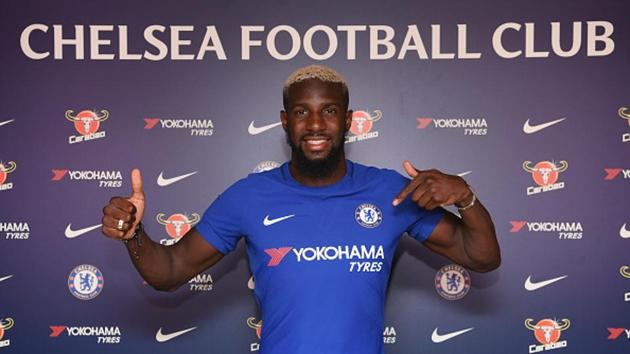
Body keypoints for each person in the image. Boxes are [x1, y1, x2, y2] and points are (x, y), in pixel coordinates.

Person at [101, 65, 500, 354]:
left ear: (348, 121)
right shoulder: (248, 197)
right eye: (301, 111)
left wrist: (466, 198)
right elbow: (168, 271)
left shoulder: (390, 192)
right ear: (284, 121)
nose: (315, 124)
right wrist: (133, 234)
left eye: (328, 111)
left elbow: (481, 258)